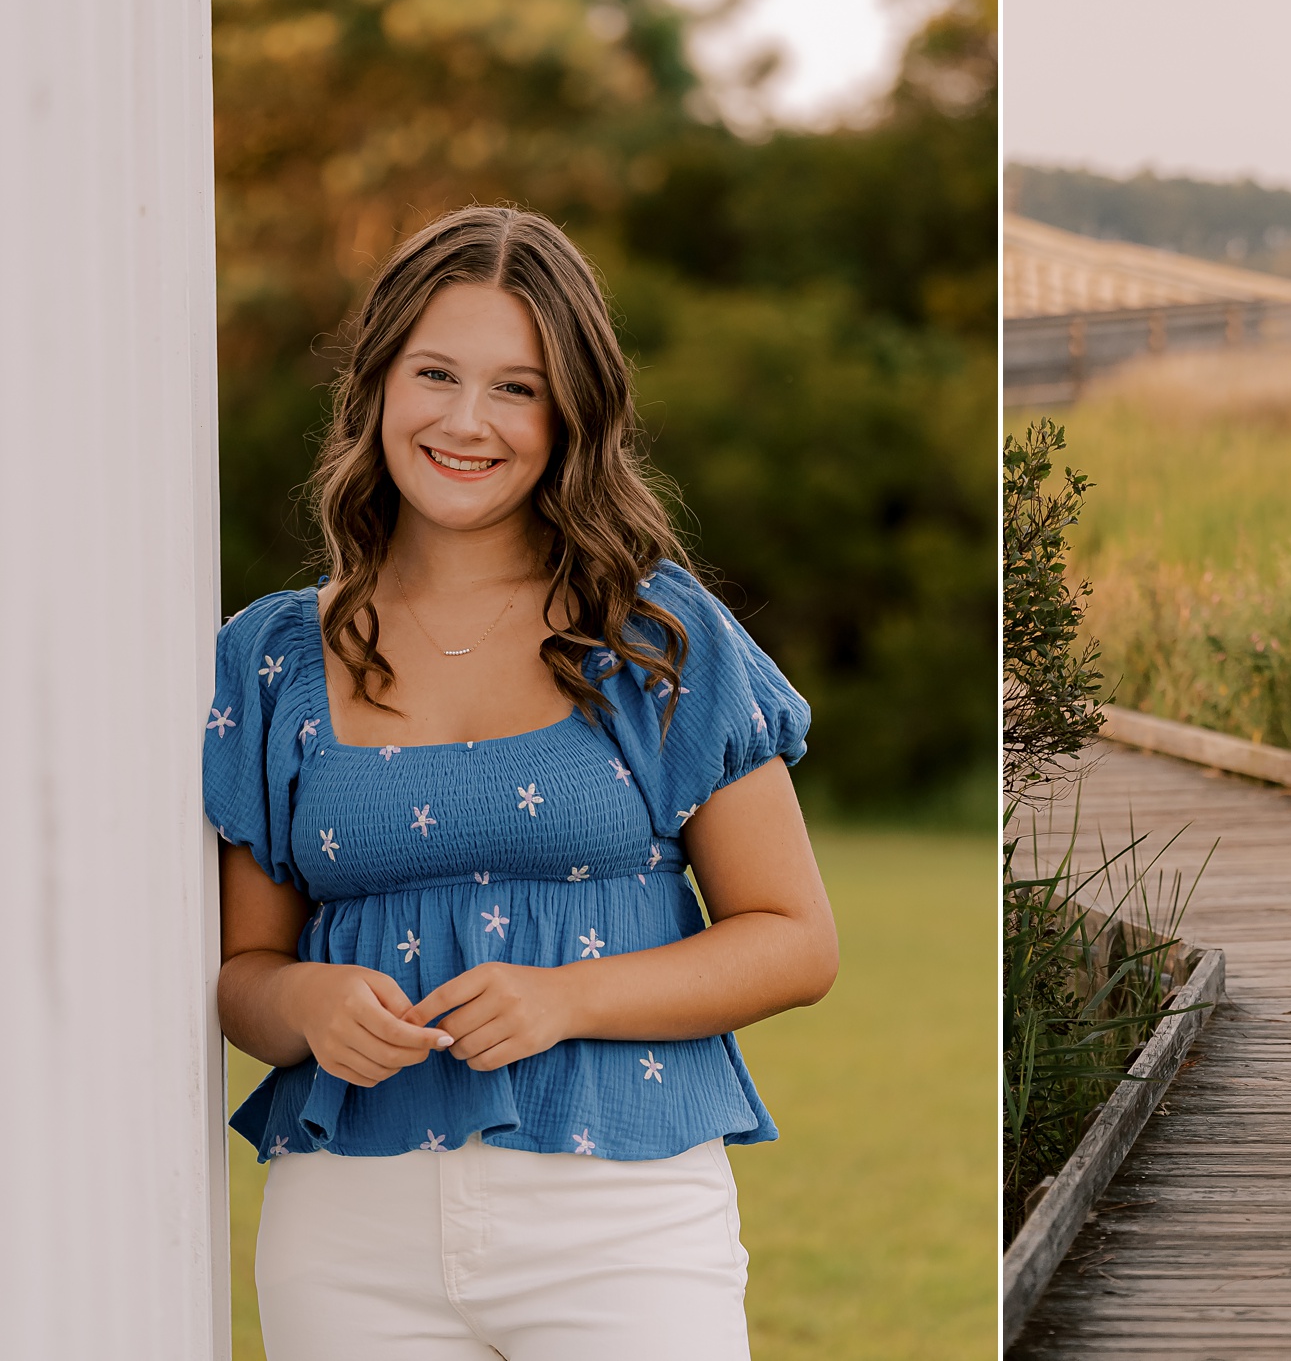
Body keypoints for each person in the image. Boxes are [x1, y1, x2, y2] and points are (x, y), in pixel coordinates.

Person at [205, 205, 839, 1358]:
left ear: (569, 415)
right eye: (434, 372)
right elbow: (245, 969)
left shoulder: (656, 637)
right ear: (377, 385)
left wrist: (564, 998)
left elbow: (795, 939)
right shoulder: (269, 659)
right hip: (348, 1227)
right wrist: (302, 1004)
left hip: (623, 1218)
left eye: (516, 387)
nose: (464, 419)